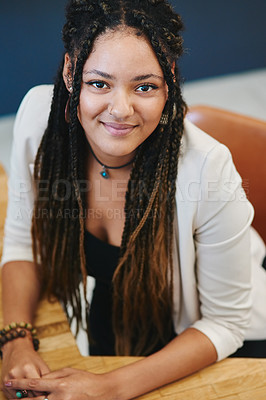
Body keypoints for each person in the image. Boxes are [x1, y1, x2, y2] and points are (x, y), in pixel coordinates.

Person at [1, 0, 266, 399]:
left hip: (216, 337)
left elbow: (225, 324)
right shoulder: (41, 119)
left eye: (144, 86)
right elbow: (25, 240)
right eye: (99, 83)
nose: (121, 110)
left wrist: (107, 388)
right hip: (117, 314)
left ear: (169, 79)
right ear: (71, 72)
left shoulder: (207, 168)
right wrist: (16, 340)